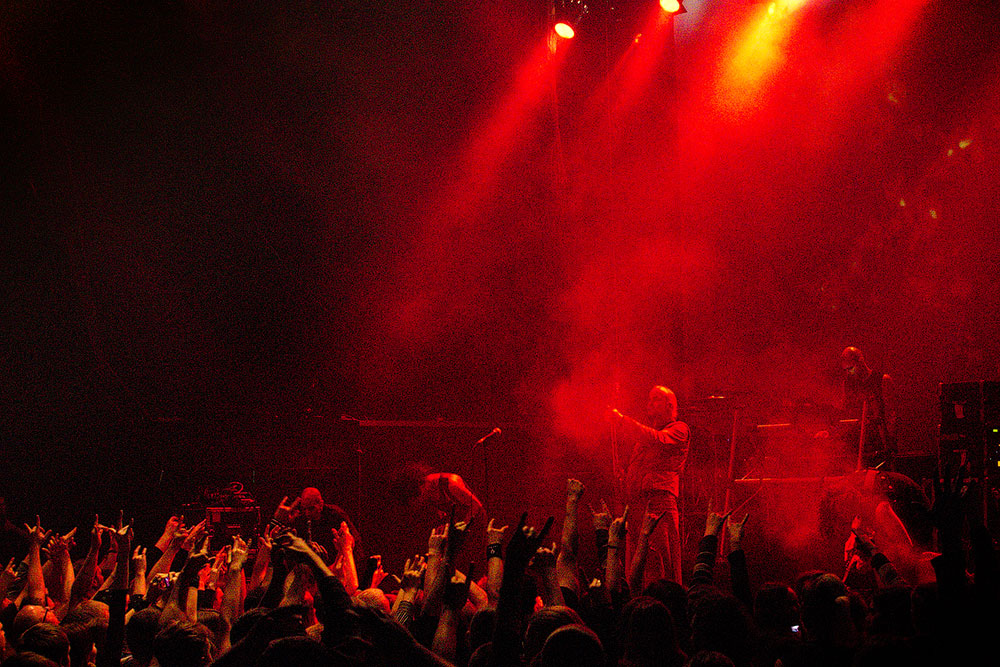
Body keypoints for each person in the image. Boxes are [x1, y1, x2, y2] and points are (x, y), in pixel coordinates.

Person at [611, 385, 690, 585]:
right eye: (649, 399)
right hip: (638, 504)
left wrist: (623, 421)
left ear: (669, 405)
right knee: (639, 562)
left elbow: (658, 439)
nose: (650, 404)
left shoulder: (679, 429)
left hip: (659, 503)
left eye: (655, 399)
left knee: (662, 559)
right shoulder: (646, 437)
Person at [838, 347, 896, 470]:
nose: (849, 373)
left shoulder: (882, 380)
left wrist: (890, 441)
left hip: (879, 441)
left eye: (851, 368)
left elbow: (891, 414)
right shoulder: (848, 384)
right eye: (846, 370)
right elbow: (845, 411)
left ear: (860, 361)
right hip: (858, 441)